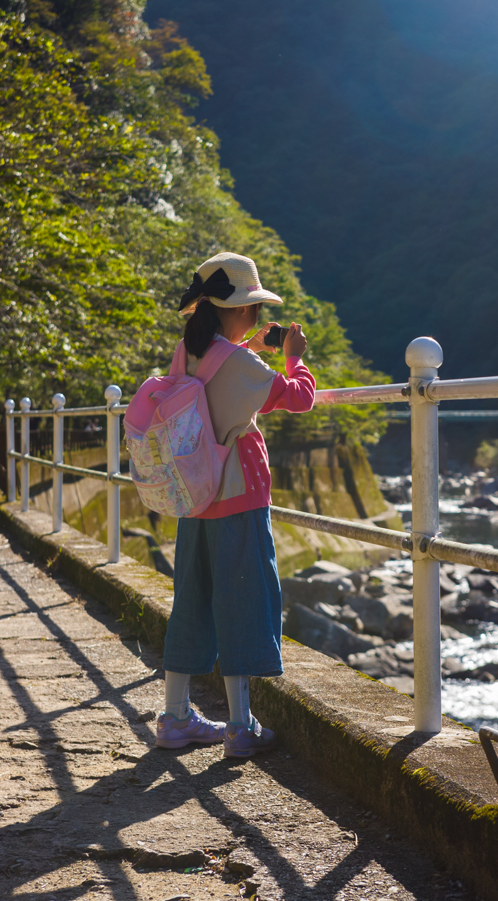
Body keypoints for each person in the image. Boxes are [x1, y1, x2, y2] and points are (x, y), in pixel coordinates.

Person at [155, 251, 315, 758]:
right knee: (242, 602)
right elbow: (298, 398)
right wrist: (295, 356)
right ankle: (241, 726)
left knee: (192, 601)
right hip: (236, 497)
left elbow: (221, 366)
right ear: (243, 309)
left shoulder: (187, 353)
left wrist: (250, 344)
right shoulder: (243, 364)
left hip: (193, 496)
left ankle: (175, 715)